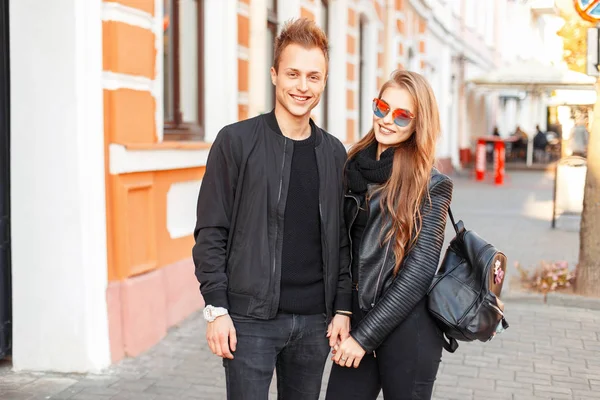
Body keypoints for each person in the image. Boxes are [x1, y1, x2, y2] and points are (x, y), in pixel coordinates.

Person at [192, 18, 352, 399]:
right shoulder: (235, 142)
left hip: (316, 322)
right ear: (274, 74)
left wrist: (343, 309)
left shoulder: (333, 154)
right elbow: (211, 231)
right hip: (250, 320)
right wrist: (217, 308)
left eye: (314, 77)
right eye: (293, 73)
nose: (303, 86)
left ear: (324, 82)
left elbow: (342, 240)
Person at [325, 70, 453, 400]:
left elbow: (420, 271)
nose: (387, 120)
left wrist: (364, 338)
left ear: (418, 123)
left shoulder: (431, 183)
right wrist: (342, 310)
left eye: (402, 115)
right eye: (382, 107)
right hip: (357, 316)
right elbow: (340, 245)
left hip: (408, 329)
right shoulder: (350, 163)